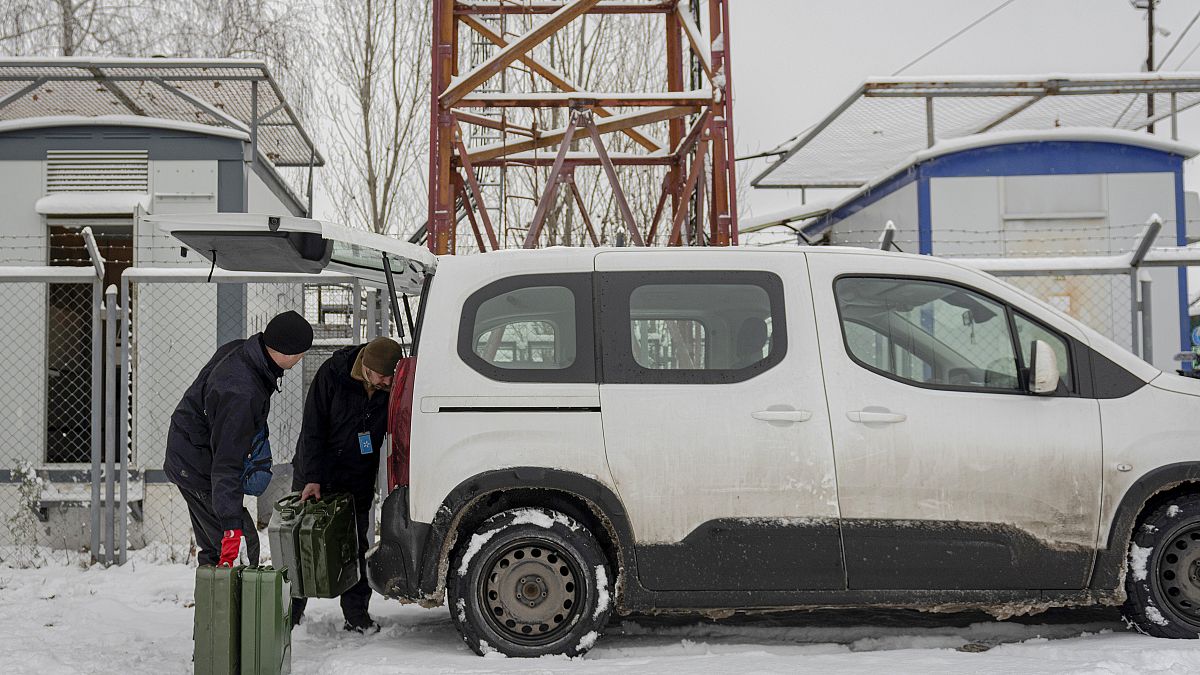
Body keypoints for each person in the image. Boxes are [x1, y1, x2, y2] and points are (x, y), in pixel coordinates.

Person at [165, 310, 313, 568]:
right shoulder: (242, 392)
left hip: (192, 454)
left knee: (219, 551)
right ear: (289, 353)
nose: (301, 359)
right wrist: (231, 525)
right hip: (198, 467)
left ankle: (218, 601)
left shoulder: (244, 352)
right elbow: (226, 460)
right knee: (237, 549)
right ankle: (227, 604)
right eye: (301, 354)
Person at [289, 336, 403, 634]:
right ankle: (290, 613)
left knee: (356, 544)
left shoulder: (391, 384)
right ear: (365, 367)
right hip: (317, 472)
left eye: (391, 376)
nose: (387, 382)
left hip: (357, 474)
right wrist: (312, 477)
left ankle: (356, 616)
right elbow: (312, 427)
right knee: (303, 543)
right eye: (382, 376)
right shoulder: (333, 373)